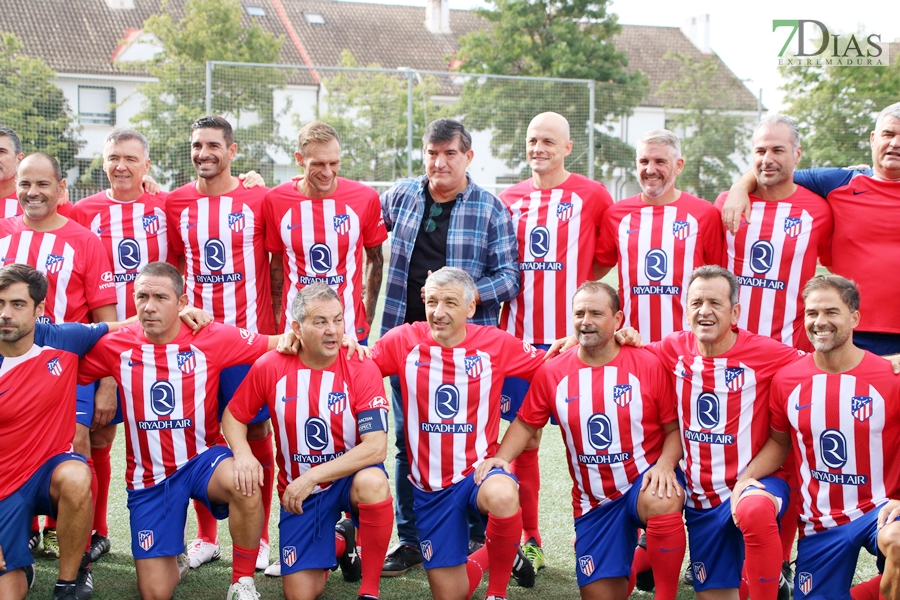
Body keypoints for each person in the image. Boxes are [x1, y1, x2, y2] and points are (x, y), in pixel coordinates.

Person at [76, 261, 284, 600]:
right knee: (155, 593)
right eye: (142, 297)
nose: (149, 306)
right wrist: (103, 385)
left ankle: (242, 581)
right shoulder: (114, 345)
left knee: (245, 482)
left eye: (160, 297)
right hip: (149, 478)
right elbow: (67, 370)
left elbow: (274, 343)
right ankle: (172, 553)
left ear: (182, 302)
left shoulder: (211, 336)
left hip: (203, 460)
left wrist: (347, 346)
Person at [479, 280, 685, 600]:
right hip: (594, 502)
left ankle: (665, 594)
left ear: (617, 320)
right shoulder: (553, 371)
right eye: (579, 313)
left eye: (595, 313)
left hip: (641, 483)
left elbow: (674, 430)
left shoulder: (646, 363)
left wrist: (667, 466)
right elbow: (525, 421)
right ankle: (633, 562)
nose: (585, 320)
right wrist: (501, 458)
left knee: (663, 498)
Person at [378, 119, 519, 576]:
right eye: (432, 153)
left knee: (468, 444)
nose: (439, 163)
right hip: (408, 344)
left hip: (466, 354)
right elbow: (357, 218)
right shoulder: (399, 196)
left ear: (468, 157)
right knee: (407, 443)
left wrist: (462, 295)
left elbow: (510, 276)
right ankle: (411, 538)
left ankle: (475, 531)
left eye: (449, 154)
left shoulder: (490, 208)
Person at [370, 267, 544, 600]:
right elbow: (358, 365)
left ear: (470, 307)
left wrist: (510, 445)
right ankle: (496, 553)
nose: (439, 312)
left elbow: (553, 368)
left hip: (476, 475)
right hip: (430, 489)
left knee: (504, 495)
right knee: (450, 595)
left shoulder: (495, 345)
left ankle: (497, 593)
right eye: (432, 301)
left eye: (450, 303)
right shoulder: (403, 341)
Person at [223, 283, 393, 600]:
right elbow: (233, 417)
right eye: (320, 322)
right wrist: (243, 453)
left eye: (338, 320)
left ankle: (369, 589)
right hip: (302, 496)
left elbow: (375, 447)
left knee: (374, 483)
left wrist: (312, 476)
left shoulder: (361, 366)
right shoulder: (271, 365)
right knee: (299, 594)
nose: (332, 331)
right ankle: (341, 541)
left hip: (347, 480)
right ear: (297, 328)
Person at [496, 112, 614, 570]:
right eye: (532, 140)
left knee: (597, 440)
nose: (538, 148)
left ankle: (615, 535)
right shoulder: (509, 198)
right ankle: (531, 540)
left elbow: (603, 259)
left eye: (548, 140)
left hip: (577, 345)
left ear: (568, 147)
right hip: (521, 344)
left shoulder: (592, 194)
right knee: (523, 443)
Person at [735, 274, 900, 599]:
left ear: (854, 318)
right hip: (820, 523)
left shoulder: (889, 377)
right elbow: (780, 443)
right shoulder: (787, 380)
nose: (819, 322)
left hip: (881, 510)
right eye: (812, 313)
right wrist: (745, 479)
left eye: (831, 312)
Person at [165, 115, 276, 571]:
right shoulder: (174, 203)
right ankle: (206, 537)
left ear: (232, 151)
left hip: (250, 343)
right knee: (197, 435)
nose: (203, 153)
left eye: (213, 145)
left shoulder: (259, 197)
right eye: (196, 145)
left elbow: (278, 262)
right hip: (196, 344)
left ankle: (263, 536)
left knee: (255, 432)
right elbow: (171, 269)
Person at [1, 152, 118, 562]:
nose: (32, 193)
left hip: (66, 367)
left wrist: (107, 382)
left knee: (81, 443)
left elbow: (107, 320)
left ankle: (84, 536)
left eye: (43, 184)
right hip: (9, 367)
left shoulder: (84, 240)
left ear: (61, 189)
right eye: (25, 184)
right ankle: (25, 529)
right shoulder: (1, 233)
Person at [722, 102, 900, 356]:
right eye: (888, 134)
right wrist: (740, 187)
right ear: (873, 139)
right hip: (846, 331)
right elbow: (776, 171)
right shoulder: (838, 181)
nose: (895, 143)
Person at [0, 264, 107, 600]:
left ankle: (69, 582)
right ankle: (21, 565)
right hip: (3, 487)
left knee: (77, 474)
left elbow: (129, 329)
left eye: (17, 304)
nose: (5, 314)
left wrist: (185, 312)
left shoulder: (64, 340)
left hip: (47, 472)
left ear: (39, 309)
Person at [715, 115, 833, 351]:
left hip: (790, 349)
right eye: (760, 151)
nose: (767, 159)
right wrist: (739, 187)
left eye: (777, 150)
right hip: (729, 346)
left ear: (797, 154)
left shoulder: (819, 211)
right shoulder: (725, 204)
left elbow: (835, 265)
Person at [595, 129, 725, 343]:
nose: (650, 169)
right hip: (632, 342)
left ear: (679, 166)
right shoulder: (616, 215)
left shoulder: (704, 214)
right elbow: (597, 267)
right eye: (644, 161)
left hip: (689, 345)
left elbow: (719, 278)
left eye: (660, 161)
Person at [264, 121, 386, 336]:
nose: (328, 172)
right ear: (299, 159)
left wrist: (367, 316)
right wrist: (277, 324)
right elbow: (277, 267)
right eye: (318, 164)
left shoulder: (365, 198)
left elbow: (375, 259)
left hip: (348, 329)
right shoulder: (275, 200)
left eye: (334, 163)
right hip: (296, 330)